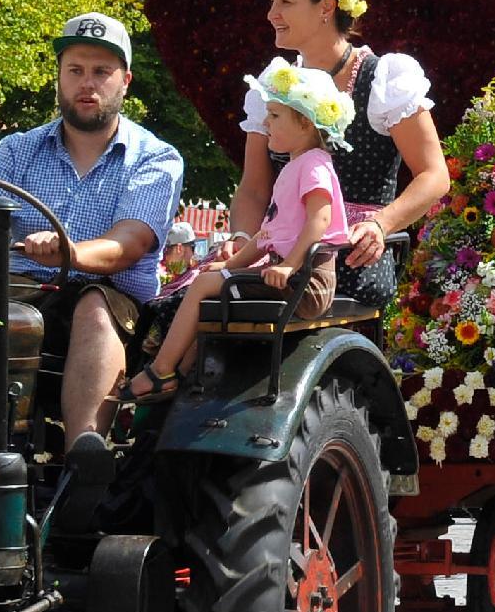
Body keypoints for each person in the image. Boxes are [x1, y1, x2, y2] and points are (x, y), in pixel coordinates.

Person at [0, 13, 188, 441]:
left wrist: (69, 252)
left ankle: (85, 458)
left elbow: (128, 244)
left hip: (108, 302)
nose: (87, 83)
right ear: (59, 76)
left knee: (94, 306)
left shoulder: (155, 158)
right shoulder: (17, 150)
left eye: (101, 72)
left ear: (125, 81)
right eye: (75, 70)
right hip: (14, 292)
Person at [226, 0, 451, 309]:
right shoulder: (273, 86)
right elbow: (254, 187)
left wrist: (380, 225)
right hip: (279, 255)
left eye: (285, 2)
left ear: (325, 8)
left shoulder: (382, 79)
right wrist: (241, 239)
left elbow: (434, 175)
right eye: (272, 2)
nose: (272, 15)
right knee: (191, 301)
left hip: (349, 258)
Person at [131, 62, 350, 400]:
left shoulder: (314, 165)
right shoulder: (295, 167)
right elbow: (267, 235)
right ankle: (183, 375)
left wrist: (289, 265)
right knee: (211, 286)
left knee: (205, 285)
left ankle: (160, 371)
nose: (265, 123)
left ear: (305, 123)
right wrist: (231, 265)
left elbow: (320, 220)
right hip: (290, 275)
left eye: (275, 116)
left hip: (307, 281)